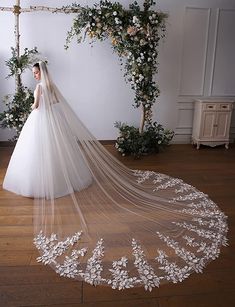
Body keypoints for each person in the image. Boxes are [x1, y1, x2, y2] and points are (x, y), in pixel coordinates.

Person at [3, 61, 228, 291]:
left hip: (41, 122)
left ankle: (45, 183)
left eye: (35, 71)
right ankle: (62, 179)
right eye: (34, 72)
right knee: (57, 153)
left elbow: (36, 106)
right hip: (53, 123)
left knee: (41, 153)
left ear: (40, 72)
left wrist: (31, 108)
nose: (35, 74)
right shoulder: (52, 86)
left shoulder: (40, 88)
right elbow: (57, 103)